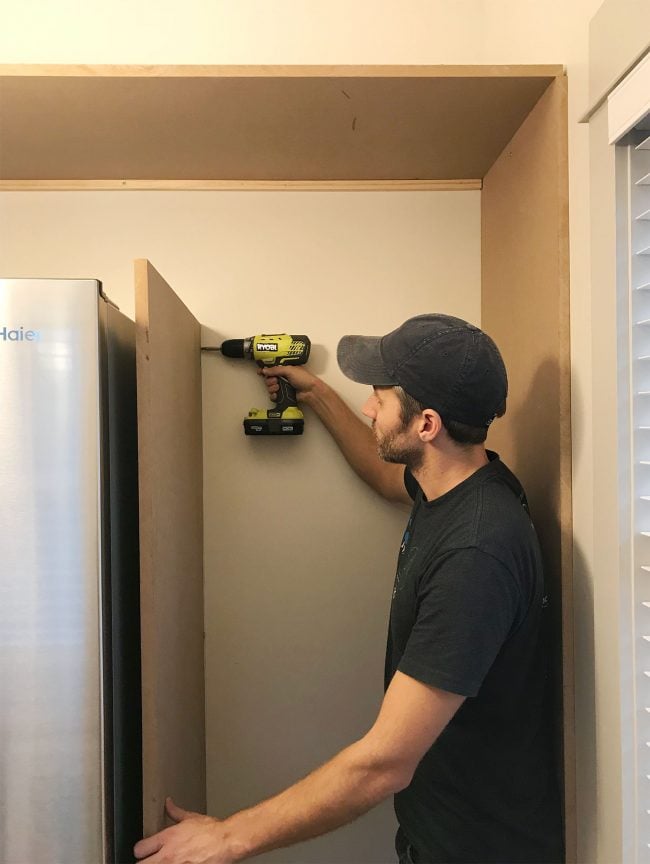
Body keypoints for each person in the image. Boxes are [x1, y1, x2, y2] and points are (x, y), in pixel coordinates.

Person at [134, 314, 563, 864]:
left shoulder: (476, 555)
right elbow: (387, 475)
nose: (369, 407)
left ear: (426, 424)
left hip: (475, 847)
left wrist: (228, 837)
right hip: (445, 829)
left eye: (379, 399)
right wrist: (316, 394)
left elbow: (384, 762)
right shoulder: (461, 485)